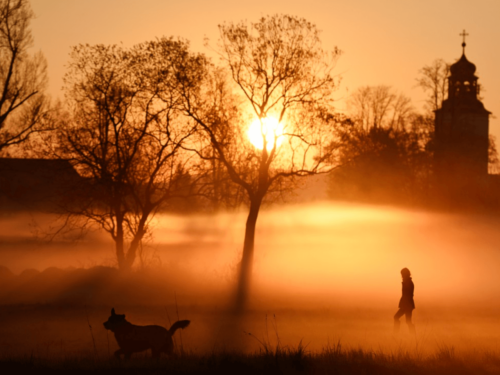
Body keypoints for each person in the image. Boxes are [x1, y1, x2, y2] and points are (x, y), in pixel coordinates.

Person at [393, 267, 415, 334]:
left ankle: (396, 334)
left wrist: (405, 305)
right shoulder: (407, 282)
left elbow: (409, 295)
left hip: (407, 305)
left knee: (397, 317)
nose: (401, 275)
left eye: (402, 274)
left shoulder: (408, 283)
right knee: (407, 321)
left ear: (405, 274)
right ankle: (413, 335)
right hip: (407, 305)